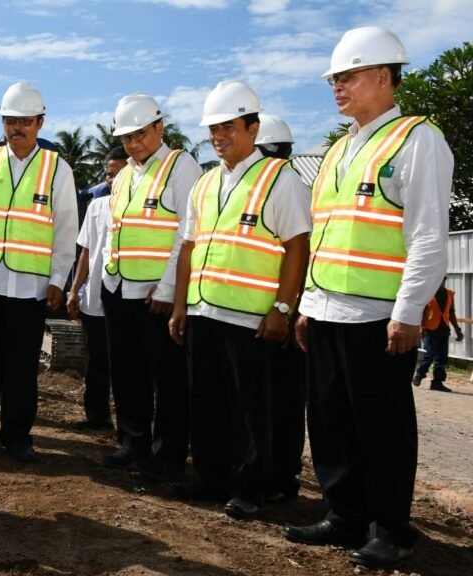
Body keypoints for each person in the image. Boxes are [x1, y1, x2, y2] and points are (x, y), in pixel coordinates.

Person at [283, 26, 454, 569]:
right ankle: (345, 514)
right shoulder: (337, 151)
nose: (337, 87)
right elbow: (327, 233)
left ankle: (391, 527)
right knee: (330, 420)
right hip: (329, 309)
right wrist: (309, 304)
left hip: (379, 317)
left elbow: (428, 235)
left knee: (381, 426)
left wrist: (407, 313)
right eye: (334, 78)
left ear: (383, 76)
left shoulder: (418, 139)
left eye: (347, 76)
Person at [168, 80, 311, 519]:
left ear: (252, 127)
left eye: (227, 126)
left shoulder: (279, 179)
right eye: (212, 128)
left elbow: (297, 247)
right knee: (206, 401)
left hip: (251, 318)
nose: (218, 136)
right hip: (203, 309)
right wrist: (179, 306)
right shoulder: (205, 183)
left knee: (252, 409)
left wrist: (283, 309)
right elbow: (188, 247)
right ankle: (210, 477)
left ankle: (252, 487)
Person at [0, 82, 78, 463]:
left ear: (40, 122)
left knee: (22, 366)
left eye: (24, 120)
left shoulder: (57, 169)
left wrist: (58, 279)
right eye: (9, 120)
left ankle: (17, 436)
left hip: (31, 285)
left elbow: (66, 229)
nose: (16, 127)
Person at [98, 93, 202, 480]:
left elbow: (185, 234)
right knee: (127, 371)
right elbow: (116, 229)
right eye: (127, 137)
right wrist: (107, 278)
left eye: (140, 133)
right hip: (120, 288)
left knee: (168, 378)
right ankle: (133, 442)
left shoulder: (181, 167)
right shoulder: (124, 175)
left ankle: (168, 453)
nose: (133, 143)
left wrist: (168, 287)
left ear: (160, 128)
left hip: (154, 295)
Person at [255, 113, 307, 503]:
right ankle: (278, 475)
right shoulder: (298, 187)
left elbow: (299, 255)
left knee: (279, 401)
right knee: (281, 400)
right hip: (279, 310)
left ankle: (280, 478)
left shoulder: (283, 189)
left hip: (280, 313)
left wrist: (285, 310)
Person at [66, 179, 113, 431]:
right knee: (95, 361)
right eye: (110, 174)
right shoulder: (97, 206)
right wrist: (74, 290)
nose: (114, 180)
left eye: (120, 172)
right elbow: (85, 252)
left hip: (129, 299)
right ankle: (97, 417)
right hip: (94, 298)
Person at [413, 281, 463, 392]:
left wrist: (457, 329)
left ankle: (437, 382)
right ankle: (419, 374)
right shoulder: (427, 293)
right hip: (430, 329)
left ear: (444, 279)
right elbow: (421, 312)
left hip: (444, 329)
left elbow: (451, 312)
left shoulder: (449, 293)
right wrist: (421, 328)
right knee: (430, 353)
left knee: (441, 357)